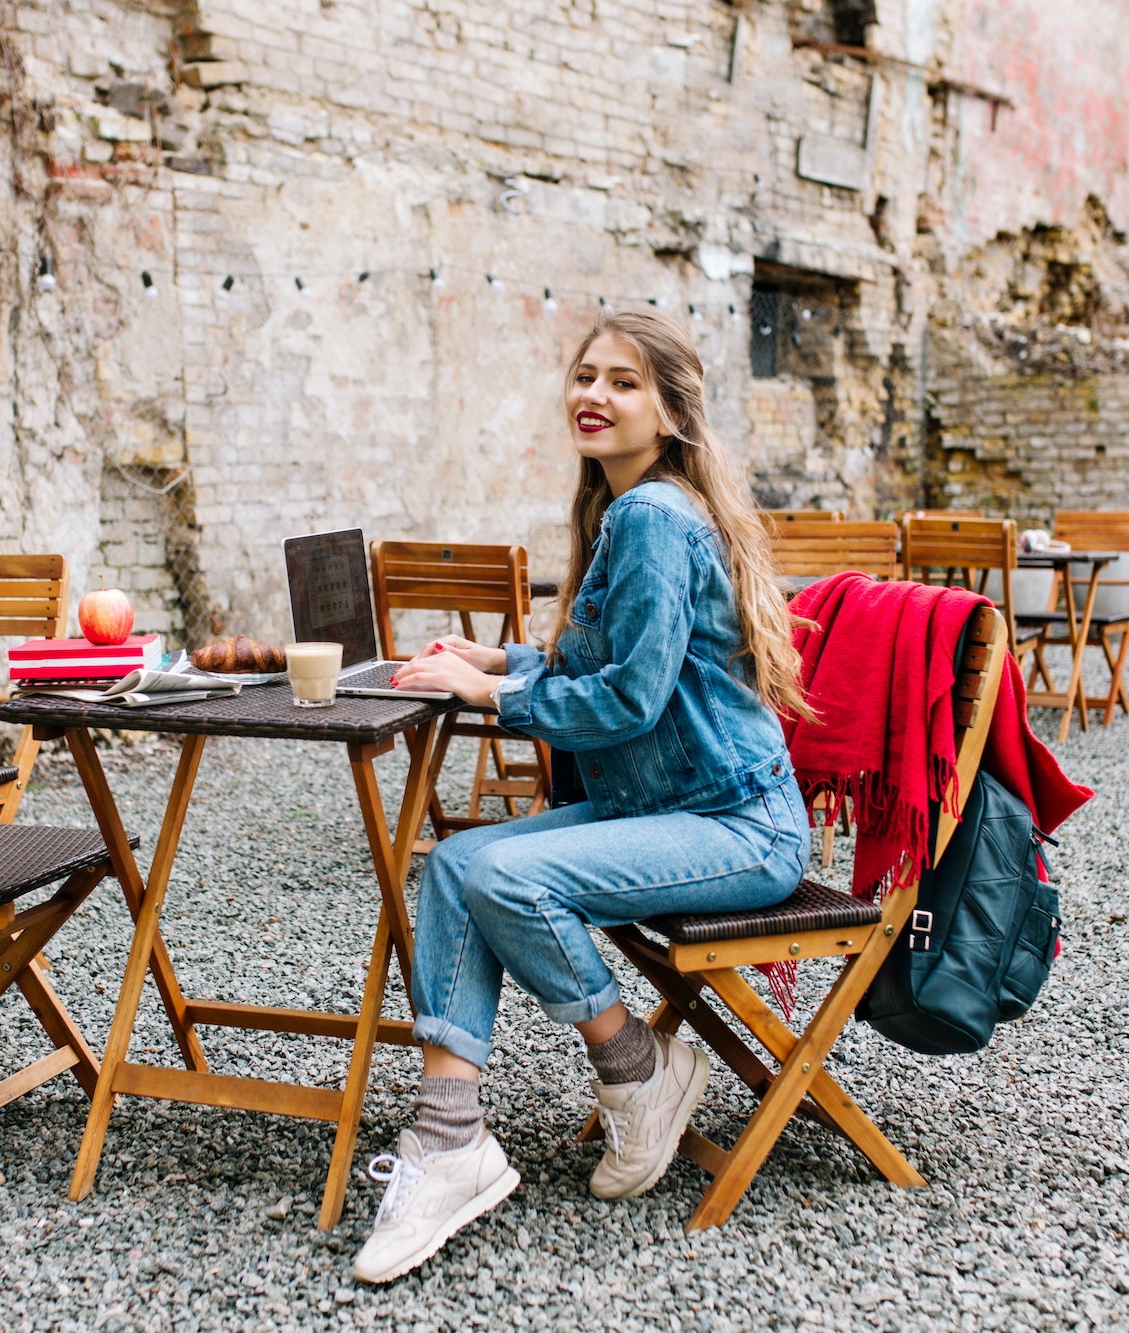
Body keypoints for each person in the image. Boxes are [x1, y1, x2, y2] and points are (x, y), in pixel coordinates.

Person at [353, 309, 812, 1284]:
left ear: (671, 411)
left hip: (732, 823)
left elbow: (631, 698)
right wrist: (506, 657)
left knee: (508, 878)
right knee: (454, 867)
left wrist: (493, 693)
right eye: (584, 375)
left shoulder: (651, 515)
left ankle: (635, 1071)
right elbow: (622, 660)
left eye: (623, 382)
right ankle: (449, 1140)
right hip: (660, 809)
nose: (592, 395)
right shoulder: (626, 510)